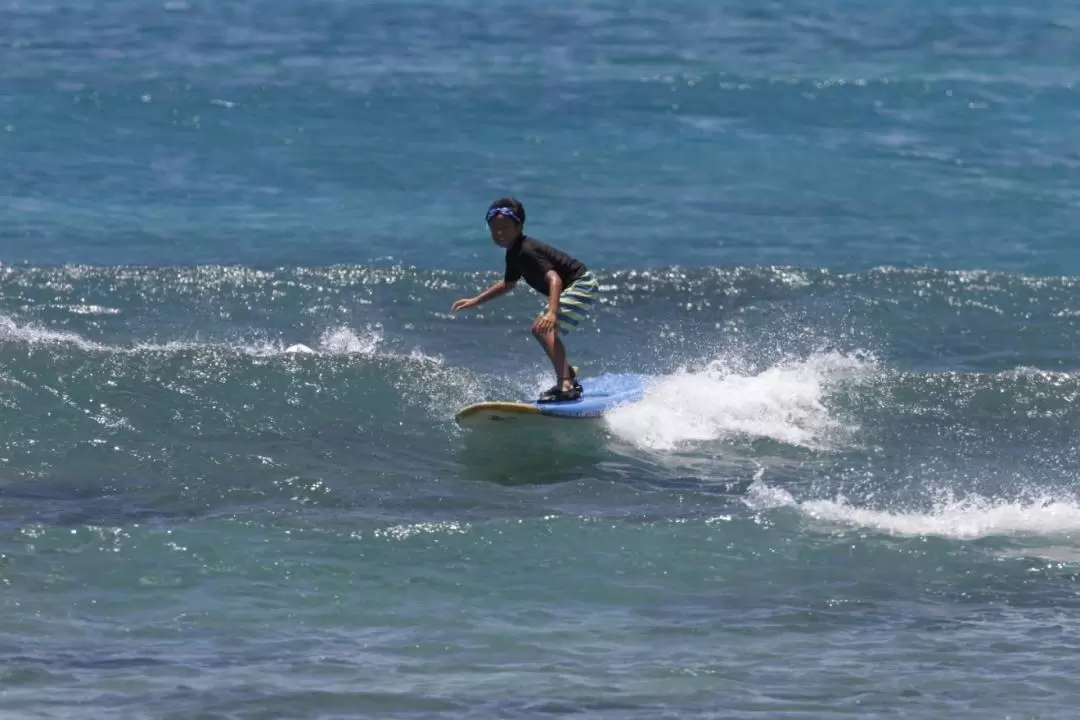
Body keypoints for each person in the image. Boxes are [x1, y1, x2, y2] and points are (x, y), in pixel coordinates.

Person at [451, 197, 600, 402]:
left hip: (581, 283)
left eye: (504, 227)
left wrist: (552, 313)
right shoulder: (513, 253)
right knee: (540, 329)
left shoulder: (526, 251)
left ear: (518, 226)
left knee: (543, 327)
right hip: (577, 285)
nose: (499, 233)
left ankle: (566, 383)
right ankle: (567, 375)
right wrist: (476, 300)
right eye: (494, 228)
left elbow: (554, 279)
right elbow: (508, 283)